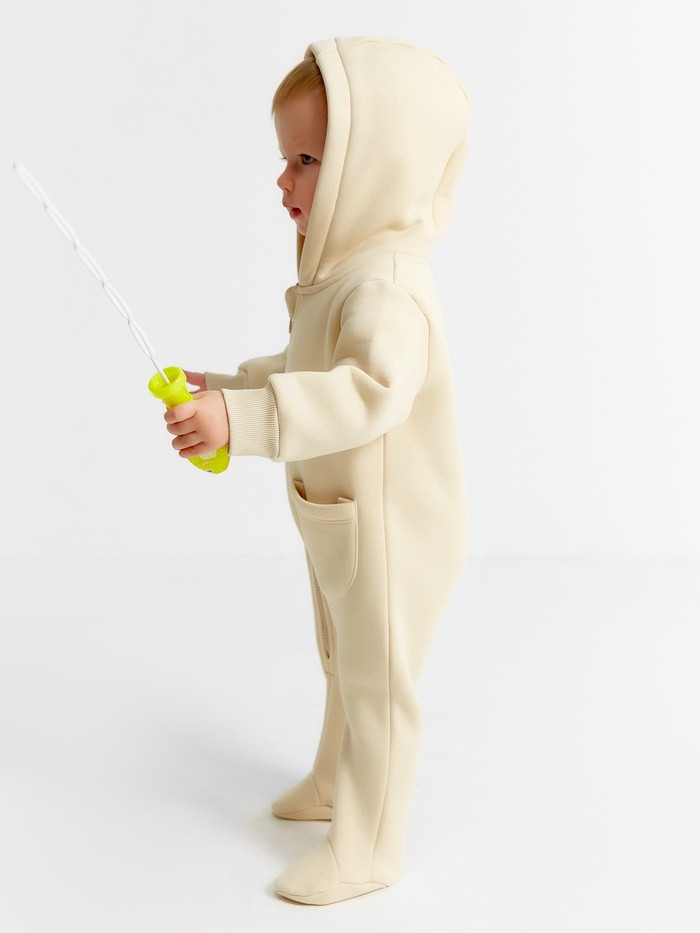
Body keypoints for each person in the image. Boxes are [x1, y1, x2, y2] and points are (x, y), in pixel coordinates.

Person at [162, 36, 471, 905]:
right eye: (286, 159)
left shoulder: (387, 289)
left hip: (393, 533)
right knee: (341, 659)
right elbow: (302, 365)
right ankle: (336, 780)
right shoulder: (338, 277)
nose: (284, 181)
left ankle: (368, 847)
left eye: (306, 161)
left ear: (376, 168)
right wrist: (224, 389)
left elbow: (366, 391)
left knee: (376, 681)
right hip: (341, 515)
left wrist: (244, 422)